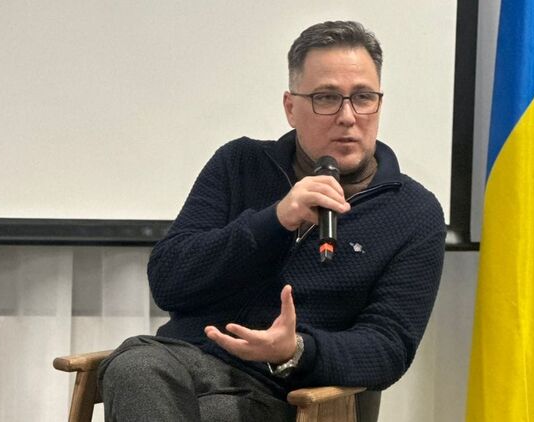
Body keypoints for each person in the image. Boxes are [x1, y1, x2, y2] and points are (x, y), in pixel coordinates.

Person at [98, 20, 446, 421]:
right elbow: (168, 280)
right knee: (135, 365)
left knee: (215, 414)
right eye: (326, 98)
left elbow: (388, 347)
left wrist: (296, 350)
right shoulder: (239, 163)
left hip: (282, 391)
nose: (348, 116)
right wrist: (274, 221)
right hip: (184, 358)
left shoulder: (414, 212)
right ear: (290, 108)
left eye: (363, 97)